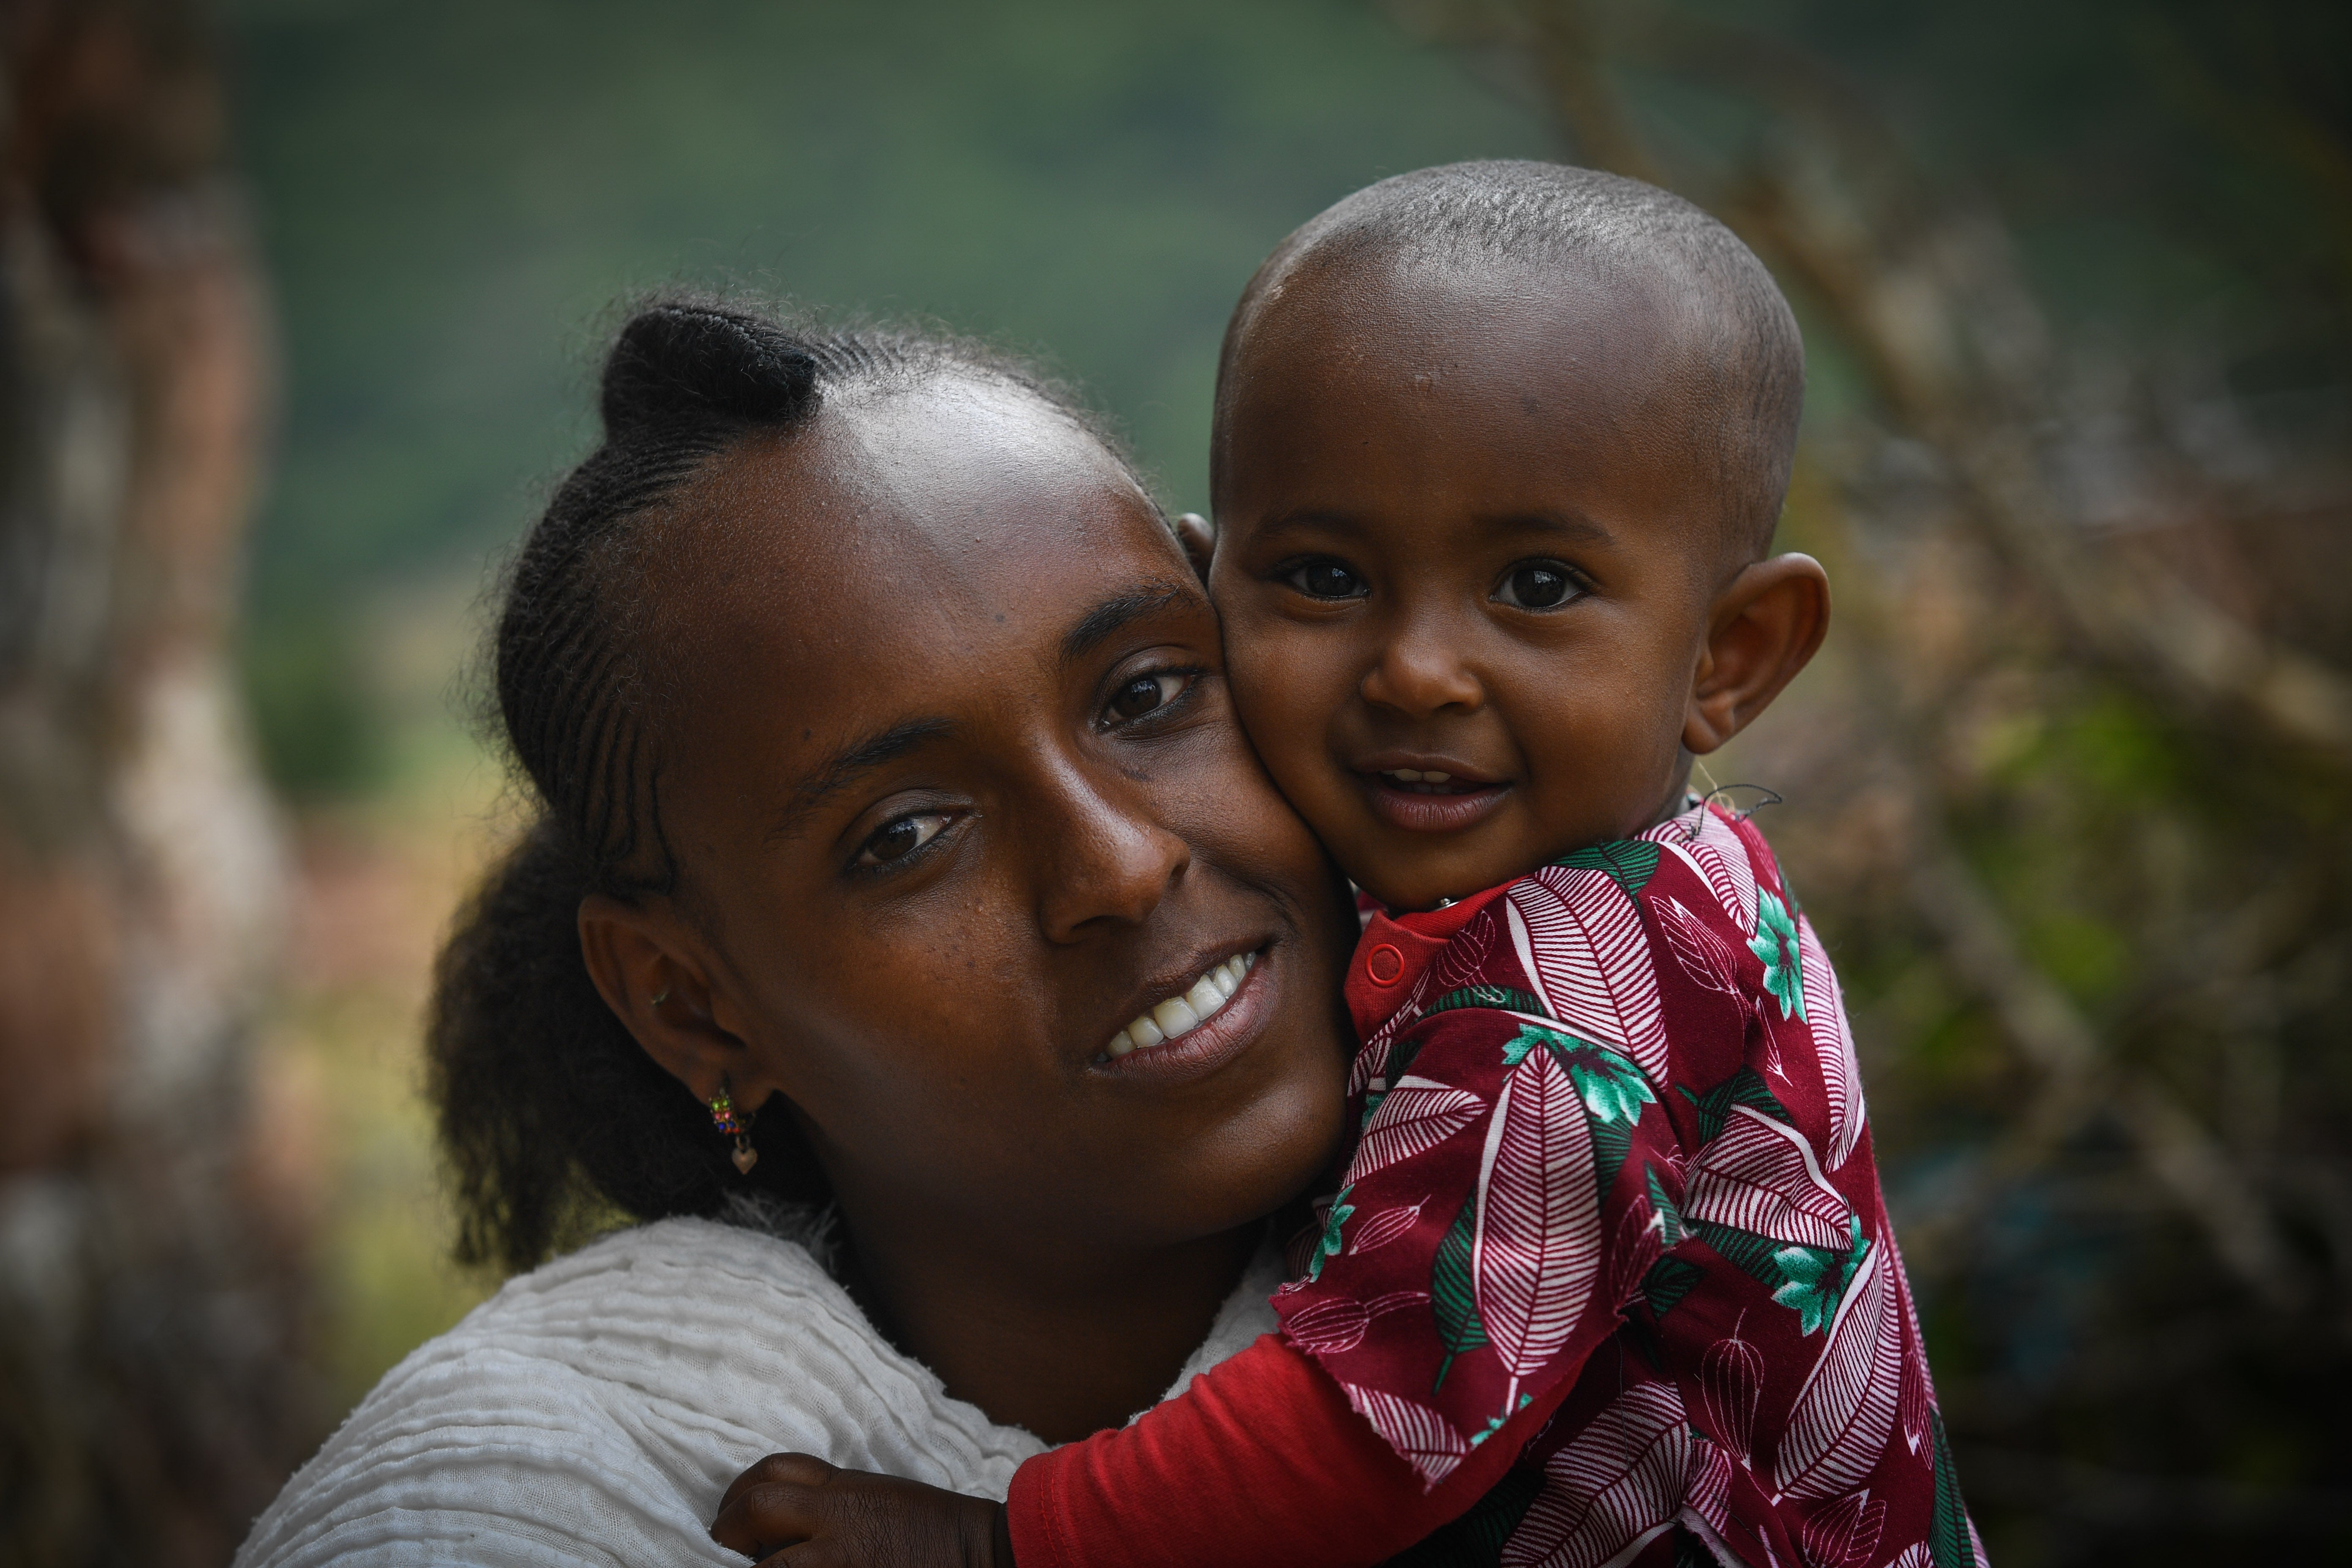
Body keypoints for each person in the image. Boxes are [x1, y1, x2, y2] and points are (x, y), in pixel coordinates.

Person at [718, 163, 1983, 1566]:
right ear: (1214, 598)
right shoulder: (1610, 891)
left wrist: (1000, 1545)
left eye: (1539, 586)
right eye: (1323, 578)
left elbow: (1376, 1425)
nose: (1418, 669)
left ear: (1728, 658)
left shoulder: (1577, 998)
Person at [230, 302, 1371, 1568]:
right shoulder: (527, 1506)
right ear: (693, 1006)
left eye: (1147, 694)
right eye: (905, 835)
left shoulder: (1586, 1197)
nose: (1121, 862)